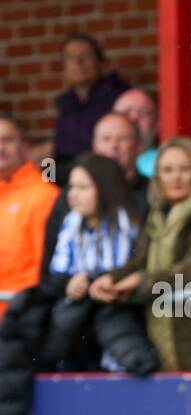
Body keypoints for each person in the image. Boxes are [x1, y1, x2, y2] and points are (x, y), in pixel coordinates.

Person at [93, 137, 191, 371]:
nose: (175, 177)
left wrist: (141, 281)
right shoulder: (156, 215)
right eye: (167, 170)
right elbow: (139, 260)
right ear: (157, 177)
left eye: (184, 169)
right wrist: (112, 278)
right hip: (161, 334)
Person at [39, 153, 154, 375]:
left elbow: (130, 267)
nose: (73, 195)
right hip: (78, 325)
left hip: (120, 315)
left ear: (103, 189)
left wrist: (102, 283)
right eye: (71, 187)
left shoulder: (128, 221)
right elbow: (54, 274)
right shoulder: (70, 221)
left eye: (83, 188)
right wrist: (69, 284)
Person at [0, 113, 60, 320]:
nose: (1, 148)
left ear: (24, 146)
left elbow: (44, 268)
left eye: (7, 140)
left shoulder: (44, 196)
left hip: (19, 318)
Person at [50, 34, 130, 181]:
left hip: (104, 168)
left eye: (85, 56)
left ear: (100, 62)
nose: (78, 62)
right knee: (46, 174)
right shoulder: (66, 102)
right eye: (71, 57)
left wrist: (51, 146)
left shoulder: (116, 95)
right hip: (69, 168)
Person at [114, 88, 159, 179]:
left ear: (158, 123)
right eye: (126, 112)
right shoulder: (97, 165)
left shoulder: (164, 161)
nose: (133, 118)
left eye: (143, 112)